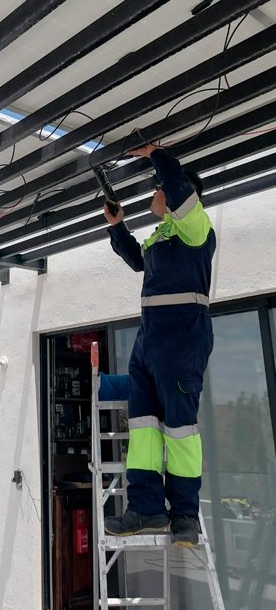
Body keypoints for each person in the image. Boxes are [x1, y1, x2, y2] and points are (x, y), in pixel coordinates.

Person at [103, 143, 215, 547]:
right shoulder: (163, 236)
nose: (155, 192)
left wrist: (156, 153)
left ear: (177, 196)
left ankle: (185, 515)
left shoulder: (196, 229)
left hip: (182, 339)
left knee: (180, 429)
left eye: (159, 188)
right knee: (145, 429)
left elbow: (176, 184)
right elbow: (137, 260)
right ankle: (147, 508)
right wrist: (117, 227)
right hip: (150, 339)